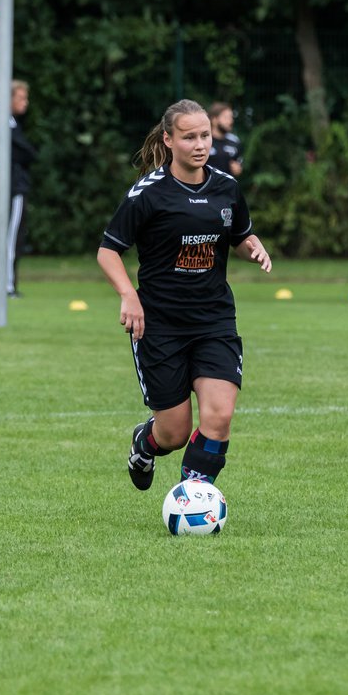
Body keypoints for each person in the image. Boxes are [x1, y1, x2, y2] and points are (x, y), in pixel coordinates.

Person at [97, 99, 272, 491]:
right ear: (169, 140)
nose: (199, 144)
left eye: (205, 135)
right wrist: (129, 295)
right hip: (160, 325)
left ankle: (193, 497)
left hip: (214, 320)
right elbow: (108, 251)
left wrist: (254, 247)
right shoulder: (147, 194)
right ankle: (145, 443)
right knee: (174, 433)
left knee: (220, 415)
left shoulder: (226, 188)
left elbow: (241, 236)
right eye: (189, 136)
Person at [6, 79, 37, 298]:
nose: (25, 103)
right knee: (10, 238)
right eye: (21, 98)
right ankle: (7, 286)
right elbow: (26, 153)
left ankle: (8, 284)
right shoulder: (5, 125)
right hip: (12, 190)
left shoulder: (13, 124)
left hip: (14, 188)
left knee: (14, 238)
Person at [206, 102, 243, 177]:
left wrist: (238, 169)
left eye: (231, 117)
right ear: (214, 119)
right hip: (205, 187)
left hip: (227, 187)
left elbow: (239, 164)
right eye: (226, 117)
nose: (231, 121)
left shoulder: (235, 141)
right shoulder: (203, 140)